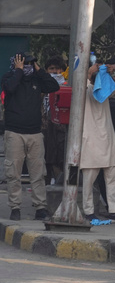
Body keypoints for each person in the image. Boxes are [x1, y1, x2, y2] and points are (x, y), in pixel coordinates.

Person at [2, 52, 60, 220]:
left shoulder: (37, 80)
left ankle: (40, 207)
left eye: (30, 64)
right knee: (13, 173)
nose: (27, 66)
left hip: (35, 133)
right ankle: (15, 208)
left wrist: (39, 69)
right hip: (14, 132)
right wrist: (18, 71)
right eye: (24, 63)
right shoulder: (9, 77)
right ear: (16, 63)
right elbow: (10, 88)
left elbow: (54, 86)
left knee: (38, 173)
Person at [79, 60, 115, 223]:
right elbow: (78, 90)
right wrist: (87, 74)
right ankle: (88, 211)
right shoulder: (84, 90)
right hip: (90, 139)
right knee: (89, 179)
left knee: (113, 176)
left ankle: (114, 211)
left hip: (108, 137)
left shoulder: (105, 90)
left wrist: (112, 76)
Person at [42, 56, 69, 184]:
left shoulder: (67, 84)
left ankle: (62, 180)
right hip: (45, 127)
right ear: (46, 71)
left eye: (58, 69)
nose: (55, 71)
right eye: (51, 69)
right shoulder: (42, 87)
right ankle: (50, 180)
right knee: (47, 155)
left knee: (62, 155)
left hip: (62, 127)